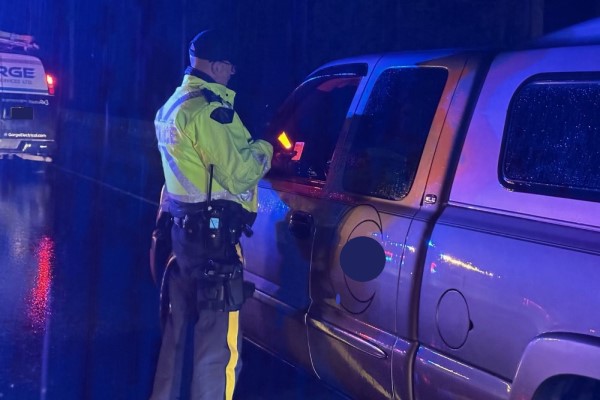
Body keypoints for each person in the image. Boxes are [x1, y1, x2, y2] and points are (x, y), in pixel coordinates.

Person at [150, 29, 273, 400]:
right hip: (215, 247)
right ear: (218, 66)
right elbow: (241, 172)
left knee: (176, 342)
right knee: (218, 352)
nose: (231, 75)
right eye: (229, 69)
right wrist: (267, 146)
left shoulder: (172, 105)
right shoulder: (208, 111)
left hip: (183, 242)